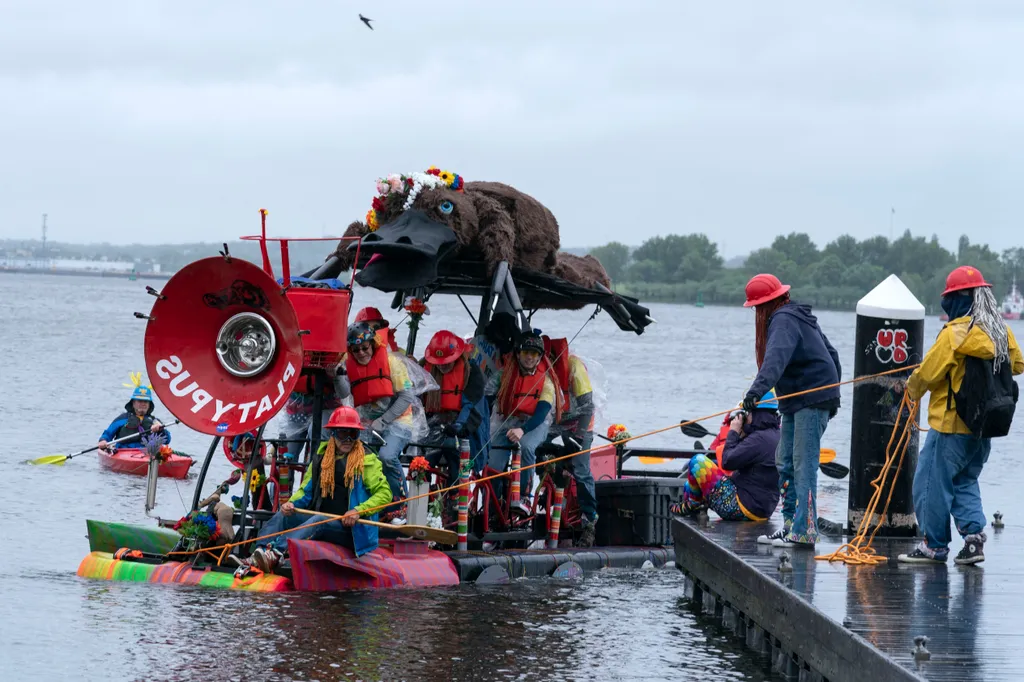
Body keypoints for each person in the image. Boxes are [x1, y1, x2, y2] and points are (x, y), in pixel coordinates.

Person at [898, 266, 1024, 565]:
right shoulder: (1001, 331)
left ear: (953, 299)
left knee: (930, 484)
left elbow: (927, 374)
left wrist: (909, 390)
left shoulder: (953, 334)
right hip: (984, 426)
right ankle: (973, 542)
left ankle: (934, 546)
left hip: (950, 426)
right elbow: (1018, 365)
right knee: (964, 481)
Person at [741, 274, 841, 549]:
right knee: (784, 461)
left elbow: (775, 360)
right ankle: (790, 526)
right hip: (799, 402)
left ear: (764, 306)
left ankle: (805, 530)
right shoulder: (796, 315)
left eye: (755, 309)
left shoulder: (784, 319)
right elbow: (832, 355)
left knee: (803, 464)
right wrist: (833, 396)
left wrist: (754, 393)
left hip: (811, 401)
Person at [237, 407, 392, 573]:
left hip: (352, 531)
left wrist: (358, 511)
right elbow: (305, 491)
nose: (347, 439)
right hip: (321, 521)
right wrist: (291, 503)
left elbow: (385, 494)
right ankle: (258, 553)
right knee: (285, 513)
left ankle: (276, 554)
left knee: (319, 519)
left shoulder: (367, 460)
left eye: (353, 434)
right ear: (333, 434)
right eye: (342, 433)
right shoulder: (321, 458)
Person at [336, 322, 422, 520]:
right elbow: (343, 393)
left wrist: (384, 421)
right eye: (355, 350)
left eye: (365, 348)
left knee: (386, 457)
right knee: (358, 459)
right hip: (368, 423)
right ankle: (368, 505)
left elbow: (407, 397)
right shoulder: (347, 363)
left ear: (372, 344)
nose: (361, 353)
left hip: (399, 420)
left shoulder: (392, 363)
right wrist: (337, 377)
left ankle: (401, 504)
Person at [671, 391, 782, 522]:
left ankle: (694, 505)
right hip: (763, 510)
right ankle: (695, 505)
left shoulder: (758, 439)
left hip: (742, 507)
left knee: (697, 462)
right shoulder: (777, 435)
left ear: (756, 413)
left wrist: (733, 432)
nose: (746, 416)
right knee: (689, 486)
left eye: (748, 413)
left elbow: (727, 462)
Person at [485, 330, 564, 510]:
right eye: (526, 352)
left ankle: (524, 497)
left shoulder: (546, 381)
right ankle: (493, 503)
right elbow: (487, 399)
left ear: (539, 357)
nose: (529, 357)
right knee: (494, 460)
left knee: (527, 447)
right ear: (518, 354)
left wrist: (523, 430)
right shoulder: (502, 376)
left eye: (534, 353)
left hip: (535, 423)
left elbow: (542, 412)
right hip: (507, 421)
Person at [541, 335, 599, 545]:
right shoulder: (541, 366)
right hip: (558, 420)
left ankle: (589, 521)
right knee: (536, 450)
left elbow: (587, 406)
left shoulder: (574, 367)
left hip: (581, 424)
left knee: (581, 469)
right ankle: (545, 499)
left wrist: (579, 436)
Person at [421, 330, 488, 480]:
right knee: (422, 462)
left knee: (456, 455)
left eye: (446, 361)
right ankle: (421, 495)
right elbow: (416, 400)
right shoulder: (424, 368)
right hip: (432, 423)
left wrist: (458, 427)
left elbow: (471, 406)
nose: (442, 366)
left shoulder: (471, 371)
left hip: (464, 424)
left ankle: (454, 494)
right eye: (439, 362)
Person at [98, 384, 171, 451]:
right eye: (140, 401)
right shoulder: (122, 419)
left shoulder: (155, 421)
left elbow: (167, 440)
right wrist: (103, 440)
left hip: (148, 453)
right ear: (133, 403)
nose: (143, 404)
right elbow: (107, 434)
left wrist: (160, 430)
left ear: (149, 405)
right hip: (124, 452)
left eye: (146, 402)